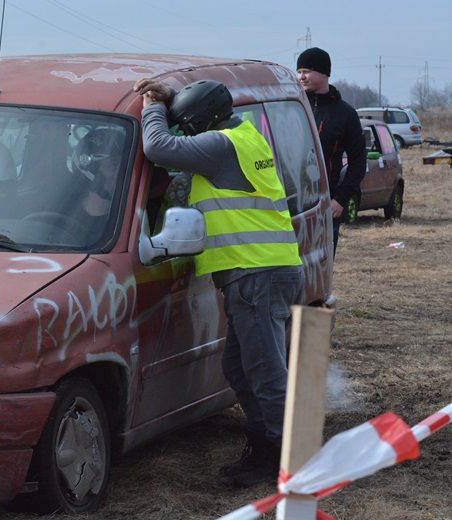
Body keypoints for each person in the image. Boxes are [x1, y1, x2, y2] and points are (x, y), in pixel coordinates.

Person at [134, 77, 304, 487]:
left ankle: (289, 462)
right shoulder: (243, 138)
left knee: (265, 371)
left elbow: (157, 147)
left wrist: (154, 106)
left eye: (187, 124)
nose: (186, 133)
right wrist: (173, 97)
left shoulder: (219, 145)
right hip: (263, 270)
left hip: (256, 273)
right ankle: (266, 447)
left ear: (201, 120)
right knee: (241, 367)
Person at [296, 47, 366, 253]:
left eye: (306, 71)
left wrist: (340, 200)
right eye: (298, 71)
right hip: (291, 203)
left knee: (320, 267)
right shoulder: (292, 107)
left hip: (325, 207)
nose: (301, 76)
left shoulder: (345, 114)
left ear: (324, 73)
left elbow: (358, 161)